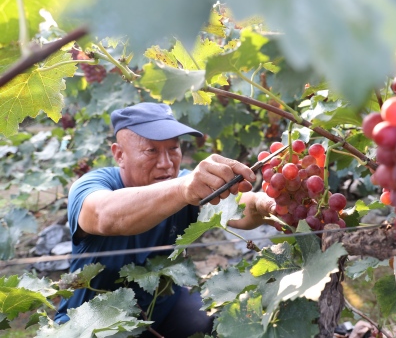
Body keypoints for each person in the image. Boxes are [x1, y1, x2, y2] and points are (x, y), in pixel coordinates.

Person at [54, 102, 276, 337]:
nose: (167, 163)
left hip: (161, 310)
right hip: (92, 325)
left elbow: (239, 209)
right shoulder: (90, 186)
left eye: (173, 149)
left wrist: (264, 205)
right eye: (152, 151)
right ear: (119, 155)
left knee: (207, 323)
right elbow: (104, 216)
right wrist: (182, 190)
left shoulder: (185, 186)